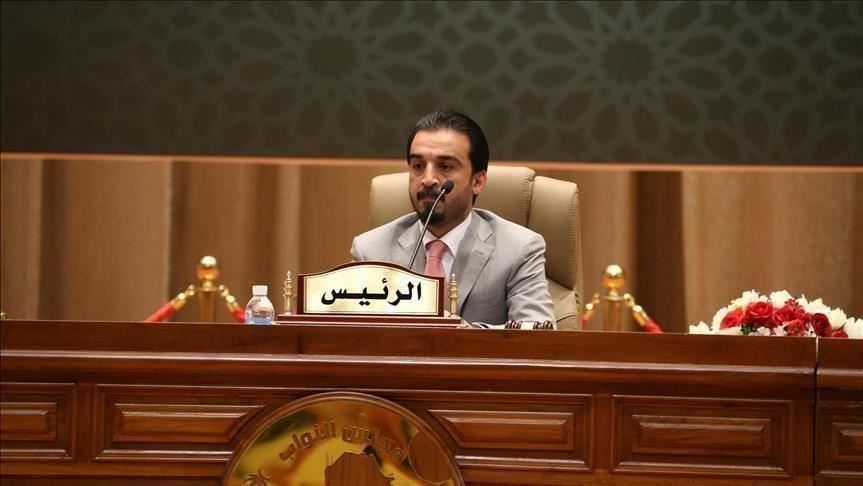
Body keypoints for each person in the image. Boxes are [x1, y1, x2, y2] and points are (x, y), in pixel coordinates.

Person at [350, 110, 555, 328]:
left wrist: (462, 334)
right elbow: (349, 335)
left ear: (477, 182)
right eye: (418, 166)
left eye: (445, 167)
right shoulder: (370, 252)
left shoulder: (519, 249)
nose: (428, 179)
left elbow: (537, 332)